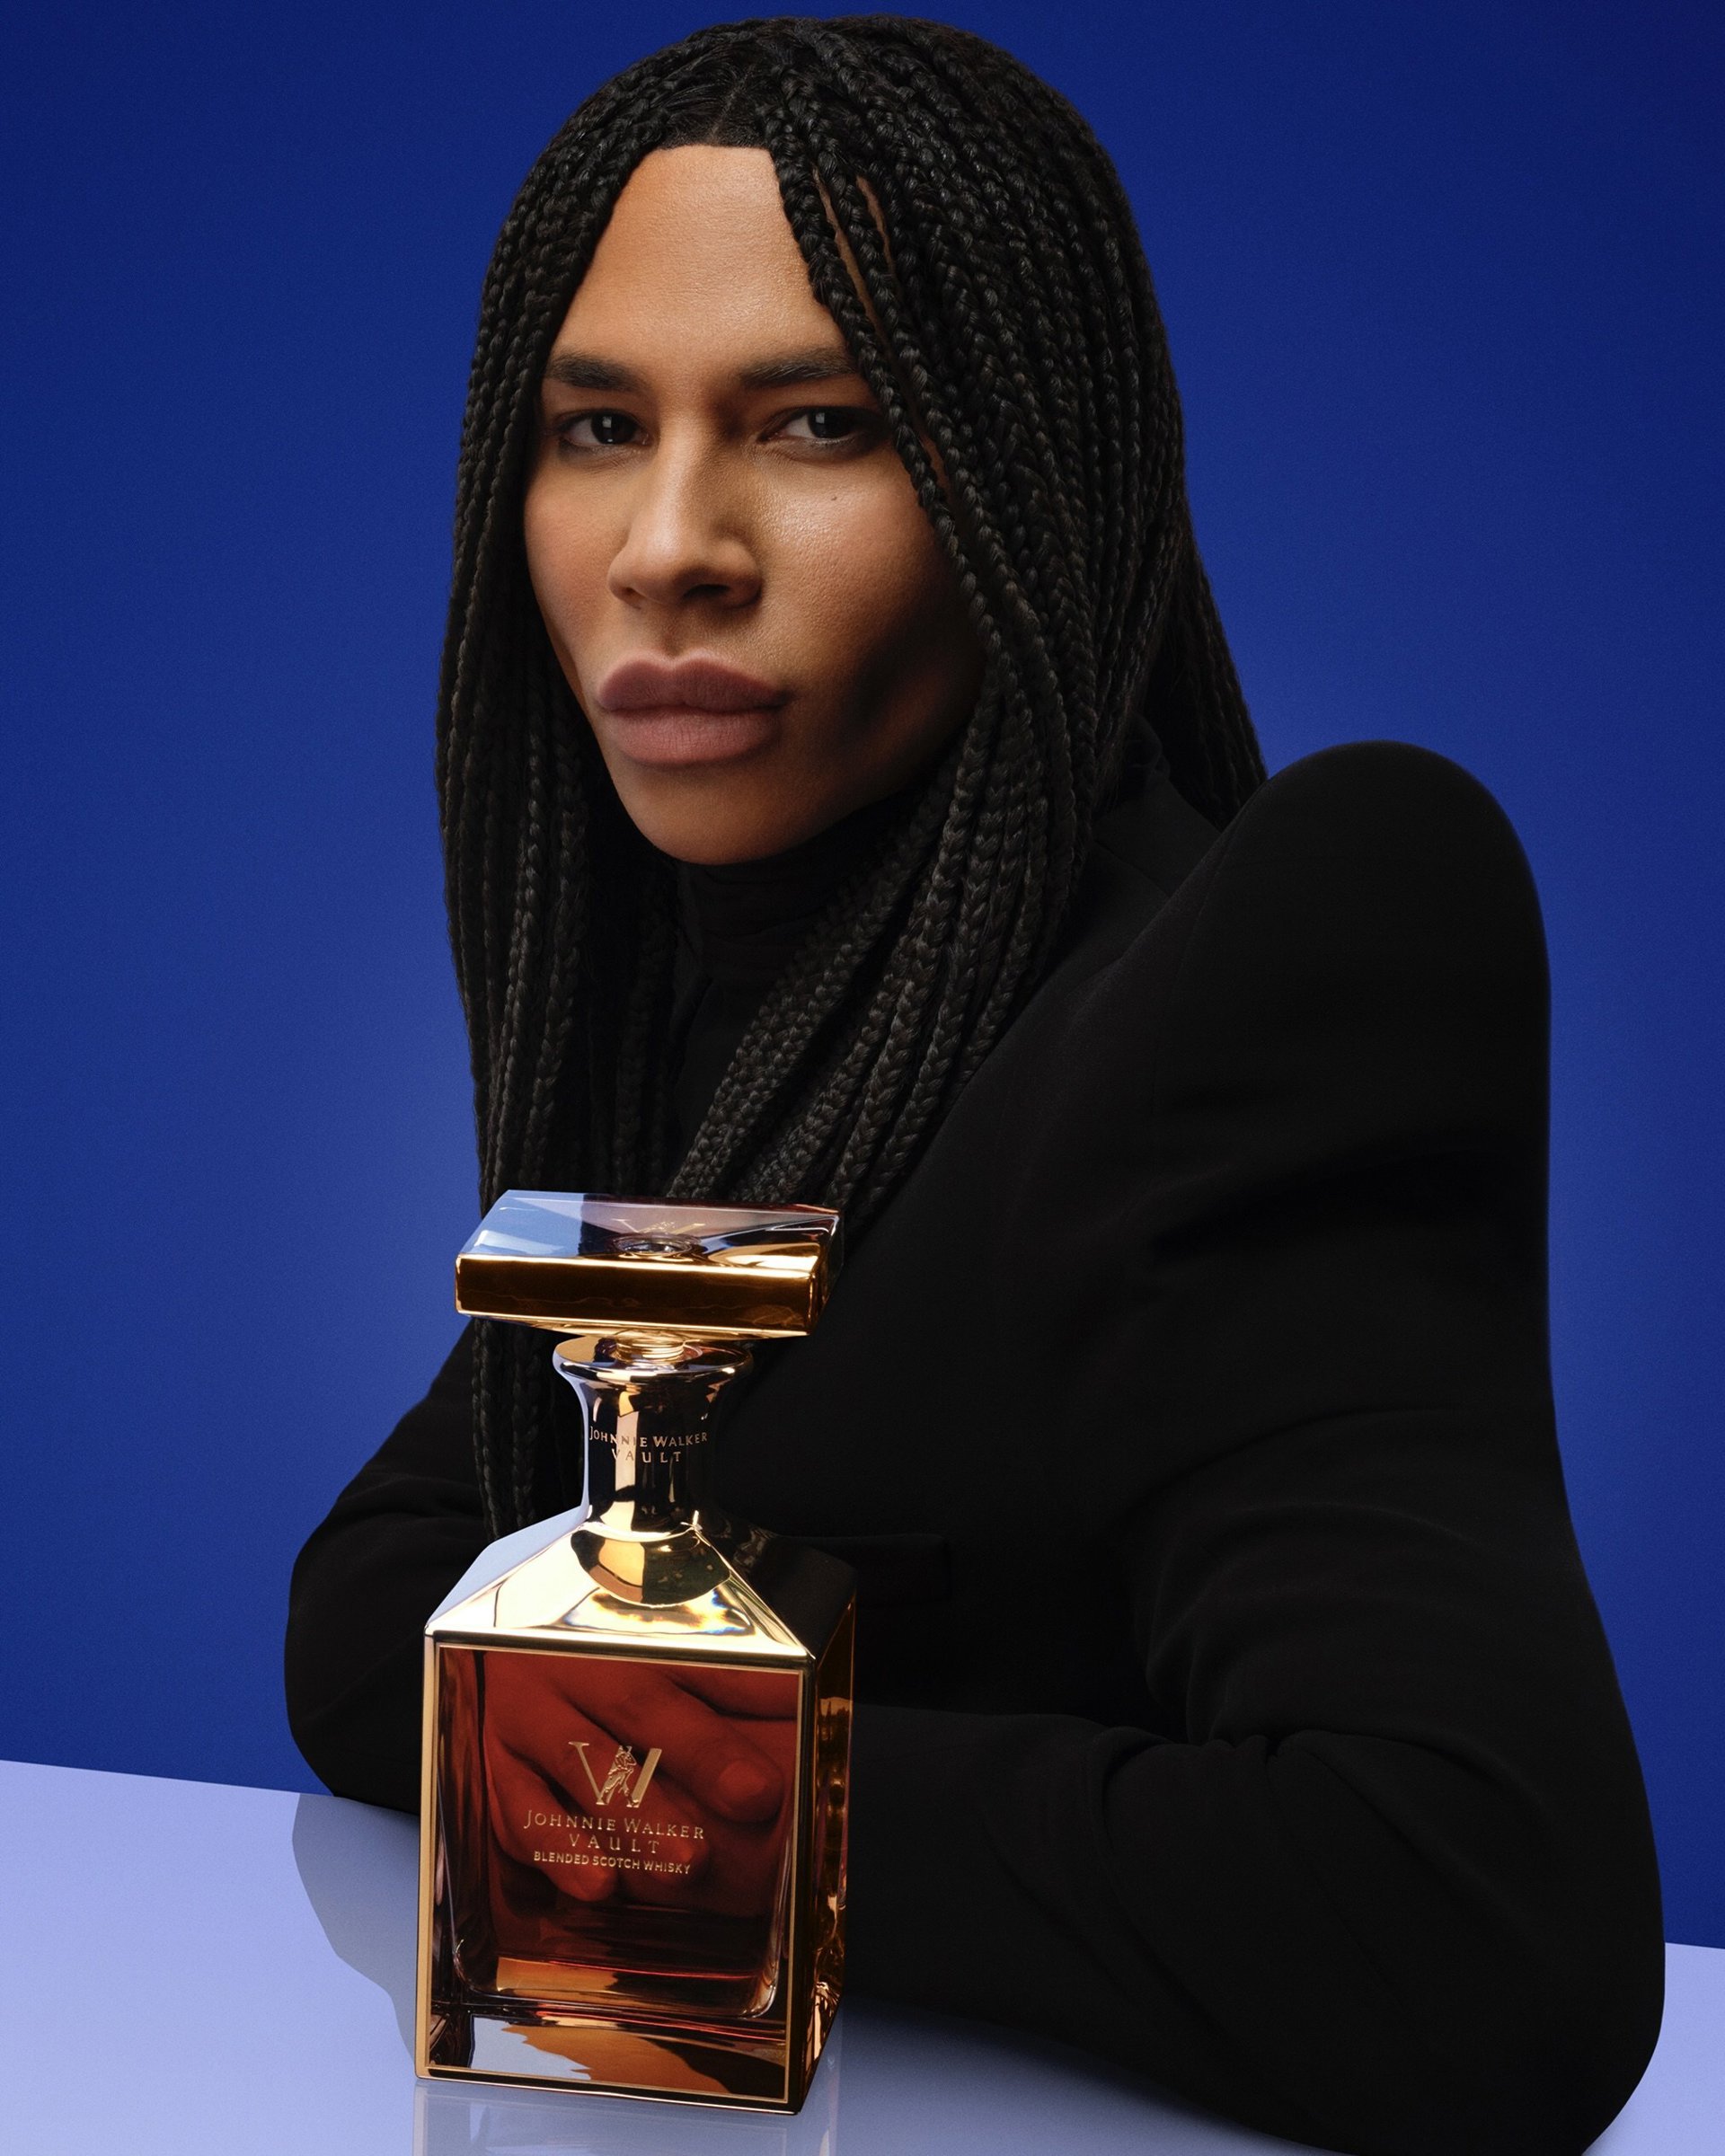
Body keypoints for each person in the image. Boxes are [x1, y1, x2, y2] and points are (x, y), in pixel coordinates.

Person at [284, 19, 1663, 2154]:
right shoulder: (693, 986)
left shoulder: (1277, 956)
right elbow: (371, 1607)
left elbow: (1470, 1931)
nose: (669, 544)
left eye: (817, 424)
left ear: (1032, 474)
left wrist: (657, 1797)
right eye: (598, 427)